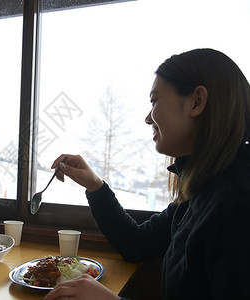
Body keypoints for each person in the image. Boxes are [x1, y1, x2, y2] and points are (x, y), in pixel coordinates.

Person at [45, 48, 250, 299]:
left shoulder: (236, 203)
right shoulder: (201, 192)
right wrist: (94, 185)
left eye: (154, 101)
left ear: (196, 102)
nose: (147, 118)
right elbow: (137, 244)